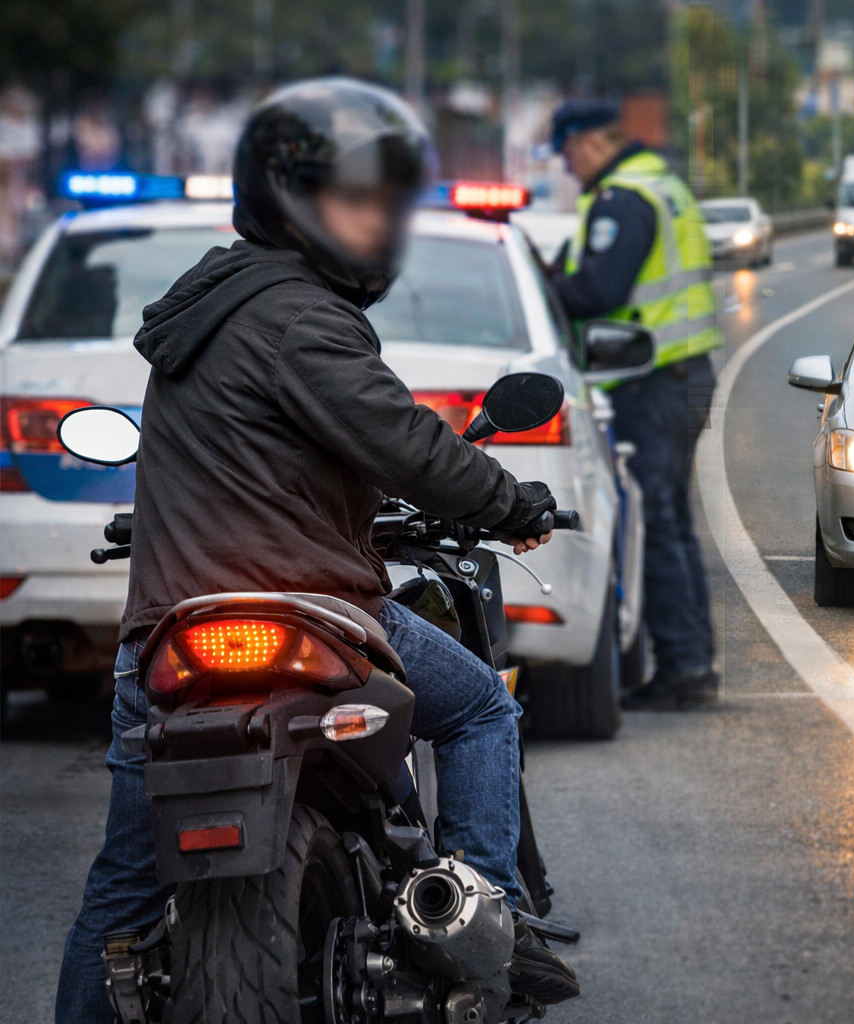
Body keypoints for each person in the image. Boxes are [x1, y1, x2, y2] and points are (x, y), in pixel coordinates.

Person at [54, 78, 580, 1022]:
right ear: (293, 206)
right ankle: (481, 932)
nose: (373, 224)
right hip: (311, 611)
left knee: (123, 895)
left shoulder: (206, 314)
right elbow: (402, 440)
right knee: (478, 718)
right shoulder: (298, 314)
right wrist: (510, 502)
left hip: (171, 626)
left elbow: (265, 452)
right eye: (351, 201)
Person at [547, 99, 721, 709]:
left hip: (654, 379)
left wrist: (545, 286)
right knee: (669, 522)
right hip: (682, 373)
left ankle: (684, 669)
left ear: (590, 142)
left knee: (656, 522)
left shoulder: (623, 198)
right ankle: (690, 663)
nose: (568, 169)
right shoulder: (662, 183)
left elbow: (599, 288)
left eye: (568, 154)